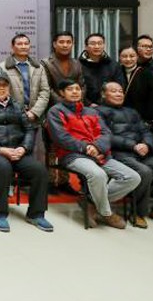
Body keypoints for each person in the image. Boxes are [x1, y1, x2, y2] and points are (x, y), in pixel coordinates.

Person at [46, 79, 140, 229]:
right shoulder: (56, 111)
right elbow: (61, 138)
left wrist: (97, 147)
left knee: (132, 177)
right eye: (70, 89)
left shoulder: (92, 111)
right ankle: (106, 213)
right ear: (62, 93)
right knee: (98, 175)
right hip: (73, 155)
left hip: (100, 155)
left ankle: (90, 202)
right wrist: (87, 148)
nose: (75, 92)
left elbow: (106, 133)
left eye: (77, 89)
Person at [0, 70, 53, 232]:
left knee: (39, 170)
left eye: (4, 85)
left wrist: (23, 148)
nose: (1, 88)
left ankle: (36, 214)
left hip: (17, 151)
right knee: (3, 168)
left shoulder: (17, 105)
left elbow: (29, 129)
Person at [97, 82, 153, 228]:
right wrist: (133, 145)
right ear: (104, 94)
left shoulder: (132, 112)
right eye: (114, 91)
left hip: (142, 152)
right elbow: (105, 136)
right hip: (119, 153)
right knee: (144, 171)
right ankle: (138, 213)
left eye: (120, 91)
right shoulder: (97, 112)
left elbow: (146, 131)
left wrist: (147, 144)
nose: (118, 94)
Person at [41, 31, 84, 195]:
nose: (65, 45)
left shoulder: (77, 64)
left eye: (68, 42)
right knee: (51, 147)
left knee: (68, 146)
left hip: (74, 113)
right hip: (52, 110)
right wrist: (64, 102)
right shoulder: (46, 63)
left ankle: (64, 181)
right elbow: (47, 87)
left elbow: (82, 85)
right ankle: (51, 181)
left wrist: (76, 99)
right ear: (54, 44)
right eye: (61, 42)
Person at [0, 33, 51, 122]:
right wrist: (14, 112)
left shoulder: (38, 67)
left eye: (26, 44)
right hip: (11, 118)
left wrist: (34, 112)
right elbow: (0, 93)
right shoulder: (2, 68)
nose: (23, 46)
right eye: (19, 44)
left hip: (33, 117)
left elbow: (45, 92)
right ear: (12, 46)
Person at [113, 45, 153, 122]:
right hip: (118, 116)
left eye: (132, 56)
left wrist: (149, 119)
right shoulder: (116, 72)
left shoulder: (146, 73)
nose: (128, 59)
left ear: (137, 57)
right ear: (119, 57)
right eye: (124, 56)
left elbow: (152, 98)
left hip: (141, 117)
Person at [78, 33, 118, 106]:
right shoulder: (78, 64)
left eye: (100, 43)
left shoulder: (113, 65)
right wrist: (88, 103)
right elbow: (75, 87)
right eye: (93, 44)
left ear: (104, 45)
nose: (97, 46)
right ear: (86, 47)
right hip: (85, 106)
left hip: (108, 106)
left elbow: (119, 86)